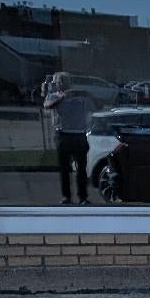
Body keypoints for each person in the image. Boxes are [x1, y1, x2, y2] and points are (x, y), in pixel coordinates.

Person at [42, 73, 97, 204]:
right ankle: (66, 196)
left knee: (81, 169)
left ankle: (83, 197)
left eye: (61, 82)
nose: (60, 84)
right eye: (58, 82)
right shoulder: (54, 96)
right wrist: (60, 97)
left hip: (79, 134)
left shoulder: (81, 96)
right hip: (63, 135)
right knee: (64, 169)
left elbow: (94, 108)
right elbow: (47, 105)